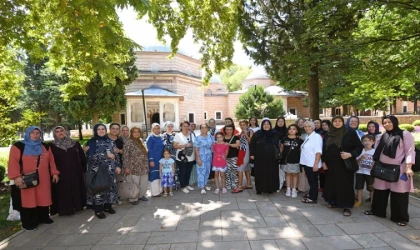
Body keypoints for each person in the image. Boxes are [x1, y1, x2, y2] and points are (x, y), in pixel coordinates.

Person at [365, 116, 416, 227]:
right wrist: (373, 165)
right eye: (385, 122)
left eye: (389, 122)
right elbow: (377, 152)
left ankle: (400, 218)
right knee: (380, 190)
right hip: (382, 167)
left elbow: (410, 151)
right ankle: (377, 211)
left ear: (395, 122)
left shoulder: (404, 134)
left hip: (399, 169)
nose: (387, 124)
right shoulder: (383, 136)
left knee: (399, 193)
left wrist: (408, 167)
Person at [8, 126, 60, 231]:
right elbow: (13, 162)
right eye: (32, 133)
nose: (35, 135)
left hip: (44, 178)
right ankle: (29, 223)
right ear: (27, 134)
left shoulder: (44, 146)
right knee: (28, 199)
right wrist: (16, 177)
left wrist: (55, 173)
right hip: (26, 178)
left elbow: (51, 161)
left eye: (37, 133)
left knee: (43, 197)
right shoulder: (18, 146)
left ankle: (43, 218)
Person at [322, 116, 363, 216]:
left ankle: (347, 206)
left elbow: (359, 147)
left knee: (346, 185)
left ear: (343, 122)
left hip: (345, 164)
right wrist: (323, 162)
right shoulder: (329, 133)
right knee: (332, 184)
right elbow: (324, 148)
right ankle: (333, 202)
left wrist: (350, 154)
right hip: (331, 164)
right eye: (335, 121)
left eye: (339, 121)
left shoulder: (350, 133)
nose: (337, 123)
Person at [86, 124, 121, 219]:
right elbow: (90, 157)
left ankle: (107, 206)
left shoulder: (110, 141)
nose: (101, 131)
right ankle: (98, 210)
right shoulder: (91, 142)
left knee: (110, 187)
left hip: (110, 170)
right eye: (99, 129)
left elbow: (116, 155)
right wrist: (106, 155)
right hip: (97, 170)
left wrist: (117, 166)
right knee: (99, 188)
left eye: (103, 129)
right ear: (95, 131)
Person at [50, 126, 86, 216]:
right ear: (55, 134)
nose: (60, 133)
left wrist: (84, 168)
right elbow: (50, 160)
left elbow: (82, 156)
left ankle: (78, 206)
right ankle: (66, 209)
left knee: (76, 187)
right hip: (61, 173)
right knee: (63, 190)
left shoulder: (74, 143)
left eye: (61, 130)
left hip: (75, 171)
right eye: (57, 131)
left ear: (65, 131)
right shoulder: (51, 146)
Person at [250, 119, 280, 194]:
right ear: (262, 125)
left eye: (268, 124)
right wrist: (252, 154)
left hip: (271, 157)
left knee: (271, 172)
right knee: (260, 172)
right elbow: (252, 144)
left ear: (270, 125)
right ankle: (260, 189)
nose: (266, 126)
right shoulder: (257, 134)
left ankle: (270, 188)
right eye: (264, 124)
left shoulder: (274, 133)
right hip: (260, 157)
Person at [122, 127, 149, 205]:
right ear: (131, 133)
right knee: (134, 182)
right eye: (134, 132)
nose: (136, 133)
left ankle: (141, 195)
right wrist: (126, 167)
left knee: (143, 182)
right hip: (133, 166)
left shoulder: (141, 141)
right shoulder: (128, 142)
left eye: (138, 132)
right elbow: (125, 156)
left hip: (143, 166)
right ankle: (133, 198)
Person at [300, 121, 323, 204]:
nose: (307, 128)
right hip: (307, 163)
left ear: (313, 127)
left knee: (313, 181)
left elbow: (318, 151)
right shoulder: (308, 136)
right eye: (305, 126)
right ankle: (311, 194)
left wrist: (316, 164)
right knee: (310, 180)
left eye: (309, 126)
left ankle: (313, 198)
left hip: (312, 163)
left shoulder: (316, 137)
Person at [281, 124, 303, 198]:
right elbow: (281, 148)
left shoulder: (300, 140)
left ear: (297, 131)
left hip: (296, 160)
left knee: (294, 174)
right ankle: (288, 189)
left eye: (294, 129)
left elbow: (301, 150)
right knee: (287, 174)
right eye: (290, 129)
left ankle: (294, 189)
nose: (291, 130)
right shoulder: (284, 138)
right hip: (286, 160)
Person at [174, 121, 196, 194]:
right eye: (184, 126)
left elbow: (195, 145)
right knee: (183, 172)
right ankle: (183, 186)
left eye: (187, 126)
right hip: (182, 157)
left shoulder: (192, 135)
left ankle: (187, 185)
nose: (186, 127)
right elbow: (174, 146)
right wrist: (184, 146)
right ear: (181, 127)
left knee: (188, 172)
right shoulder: (178, 135)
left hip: (191, 156)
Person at [354, 135, 375, 207]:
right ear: (362, 142)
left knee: (371, 188)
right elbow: (355, 161)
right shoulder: (360, 151)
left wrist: (373, 168)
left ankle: (372, 202)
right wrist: (361, 158)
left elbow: (376, 162)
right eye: (365, 141)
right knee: (359, 187)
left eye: (369, 141)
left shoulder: (374, 151)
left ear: (373, 142)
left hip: (370, 173)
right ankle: (359, 201)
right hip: (360, 172)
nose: (367, 142)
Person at [233, 120, 253, 193]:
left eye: (244, 125)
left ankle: (239, 186)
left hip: (246, 151)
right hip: (242, 150)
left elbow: (251, 141)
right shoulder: (241, 132)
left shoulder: (249, 131)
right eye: (241, 125)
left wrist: (245, 135)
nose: (242, 126)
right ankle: (249, 184)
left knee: (240, 169)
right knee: (246, 168)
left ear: (247, 125)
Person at [146, 123, 165, 197]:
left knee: (160, 174)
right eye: (155, 128)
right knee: (154, 174)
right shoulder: (150, 137)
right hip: (153, 159)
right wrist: (151, 160)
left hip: (161, 158)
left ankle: (160, 190)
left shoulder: (161, 137)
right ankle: (154, 192)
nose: (157, 130)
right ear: (152, 129)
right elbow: (149, 149)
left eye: (158, 128)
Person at [195, 124, 214, 194]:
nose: (204, 129)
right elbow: (196, 149)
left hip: (209, 156)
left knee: (207, 171)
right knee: (201, 171)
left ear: (207, 129)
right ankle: (201, 187)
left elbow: (214, 145)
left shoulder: (210, 137)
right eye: (202, 128)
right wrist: (198, 158)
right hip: (201, 156)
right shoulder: (198, 138)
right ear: (200, 129)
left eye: (205, 127)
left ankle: (205, 185)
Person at [162, 121, 179, 190]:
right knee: (166, 171)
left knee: (174, 170)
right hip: (166, 156)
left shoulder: (175, 135)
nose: (170, 127)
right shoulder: (163, 136)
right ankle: (167, 187)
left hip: (174, 156)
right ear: (165, 127)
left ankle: (174, 186)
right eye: (168, 126)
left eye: (171, 126)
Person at [224, 125, 240, 190]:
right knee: (227, 172)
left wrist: (229, 144)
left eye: (230, 129)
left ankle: (234, 184)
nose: (229, 131)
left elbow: (238, 144)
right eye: (227, 130)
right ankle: (228, 184)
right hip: (225, 157)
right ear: (225, 130)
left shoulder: (236, 137)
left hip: (234, 157)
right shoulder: (223, 138)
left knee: (234, 171)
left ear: (233, 130)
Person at [274, 116, 288, 191]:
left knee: (283, 168)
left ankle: (283, 182)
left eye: (282, 121)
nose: (280, 122)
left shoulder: (287, 131)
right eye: (279, 121)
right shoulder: (273, 131)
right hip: (275, 152)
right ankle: (277, 183)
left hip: (285, 152)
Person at [319, 119, 331, 192]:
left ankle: (327, 188)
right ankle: (322, 186)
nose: (324, 126)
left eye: (326, 125)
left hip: (329, 156)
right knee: (322, 173)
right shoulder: (321, 134)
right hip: (321, 155)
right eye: (323, 125)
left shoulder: (332, 134)